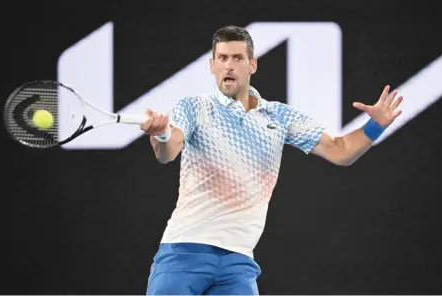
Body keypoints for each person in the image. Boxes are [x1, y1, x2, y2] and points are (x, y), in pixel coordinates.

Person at [140, 25, 403, 295]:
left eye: (237, 58)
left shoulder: (279, 117)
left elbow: (341, 150)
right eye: (222, 58)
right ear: (212, 65)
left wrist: (376, 126)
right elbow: (169, 151)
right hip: (184, 252)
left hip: (238, 262)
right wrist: (161, 135)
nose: (228, 66)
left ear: (252, 65)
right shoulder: (194, 107)